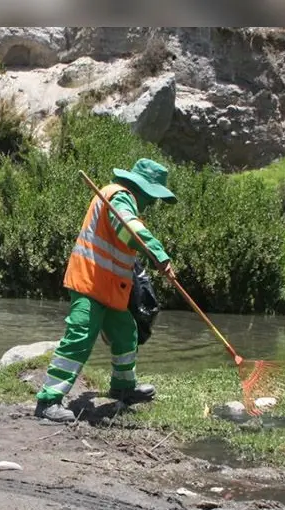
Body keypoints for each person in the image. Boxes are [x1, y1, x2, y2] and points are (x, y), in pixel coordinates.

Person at [33, 158, 179, 423]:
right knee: (79, 336)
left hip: (109, 287)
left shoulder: (121, 199)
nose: (154, 202)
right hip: (90, 282)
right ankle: (48, 401)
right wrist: (159, 254)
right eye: (154, 196)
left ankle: (123, 387)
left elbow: (123, 236)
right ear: (144, 189)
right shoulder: (119, 197)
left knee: (126, 332)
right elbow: (128, 227)